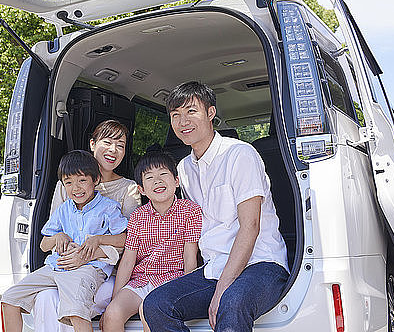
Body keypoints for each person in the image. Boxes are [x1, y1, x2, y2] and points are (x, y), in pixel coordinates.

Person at [142, 81, 289, 332]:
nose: (182, 121)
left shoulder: (240, 154)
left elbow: (250, 226)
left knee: (231, 302)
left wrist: (222, 288)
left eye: (191, 111)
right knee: (155, 304)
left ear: (210, 113)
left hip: (261, 264)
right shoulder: (184, 169)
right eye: (175, 115)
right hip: (215, 267)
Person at [1, 150, 128, 332]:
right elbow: (43, 245)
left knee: (76, 312)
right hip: (55, 267)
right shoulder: (63, 210)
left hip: (86, 269)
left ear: (96, 180)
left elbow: (124, 239)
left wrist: (98, 239)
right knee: (9, 298)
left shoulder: (108, 208)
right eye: (69, 183)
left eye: (82, 180)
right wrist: (57, 237)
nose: (76, 188)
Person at [33, 120, 142, 332]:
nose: (113, 150)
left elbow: (130, 240)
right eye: (107, 142)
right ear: (92, 144)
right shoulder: (65, 185)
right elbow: (54, 234)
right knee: (45, 298)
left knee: (75, 303)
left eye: (120, 145)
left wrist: (91, 252)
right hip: (66, 265)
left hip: (104, 271)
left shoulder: (127, 189)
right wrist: (68, 251)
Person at [101, 150, 202, 332]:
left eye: (163, 174)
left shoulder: (190, 211)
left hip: (173, 280)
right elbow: (128, 261)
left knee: (150, 310)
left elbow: (190, 256)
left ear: (176, 181)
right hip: (141, 280)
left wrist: (187, 290)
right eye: (149, 178)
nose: (157, 181)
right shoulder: (138, 216)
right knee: (113, 313)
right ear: (141, 189)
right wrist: (114, 300)